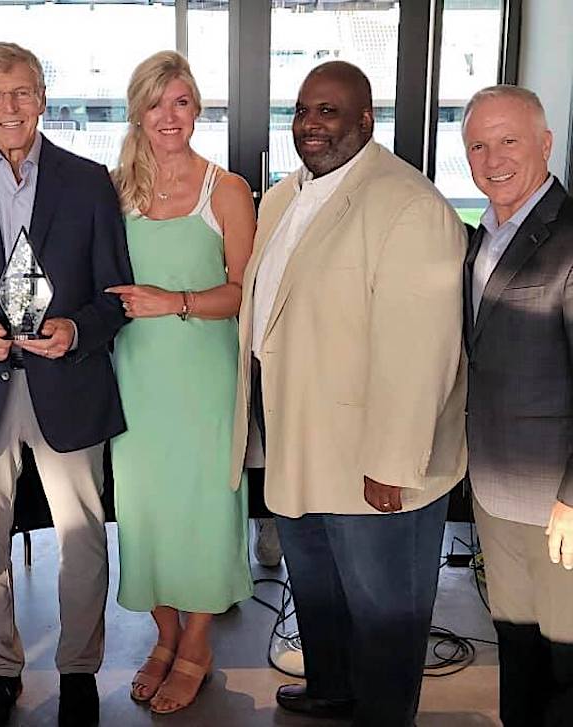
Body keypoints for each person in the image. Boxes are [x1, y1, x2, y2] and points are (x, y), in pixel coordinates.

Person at [229, 61, 468, 726]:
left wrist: (392, 461)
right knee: (317, 583)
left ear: (366, 120)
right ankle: (332, 686)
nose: (310, 124)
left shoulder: (408, 204)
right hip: (299, 438)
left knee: (385, 605)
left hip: (372, 456)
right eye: (302, 110)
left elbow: (422, 349)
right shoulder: (282, 197)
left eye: (328, 111)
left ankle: (384, 712)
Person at [0, 42, 132, 727]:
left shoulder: (88, 180)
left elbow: (114, 295)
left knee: (83, 539)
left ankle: (78, 672)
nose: (8, 107)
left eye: (20, 92)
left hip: (67, 384)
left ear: (42, 97)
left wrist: (78, 329)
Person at [106, 50, 255, 715]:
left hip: (203, 380)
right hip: (134, 378)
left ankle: (197, 640)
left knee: (201, 509)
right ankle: (163, 634)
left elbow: (244, 292)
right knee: (145, 510)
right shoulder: (112, 189)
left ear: (198, 109)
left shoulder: (227, 189)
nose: (170, 116)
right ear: (137, 107)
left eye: (183, 101)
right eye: (158, 101)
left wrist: (177, 301)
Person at [462, 85, 573, 726]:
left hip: (556, 503)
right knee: (517, 647)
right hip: (495, 488)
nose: (492, 157)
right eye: (478, 144)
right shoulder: (484, 236)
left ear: (545, 144)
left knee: (564, 660)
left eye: (509, 140)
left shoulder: (568, 236)